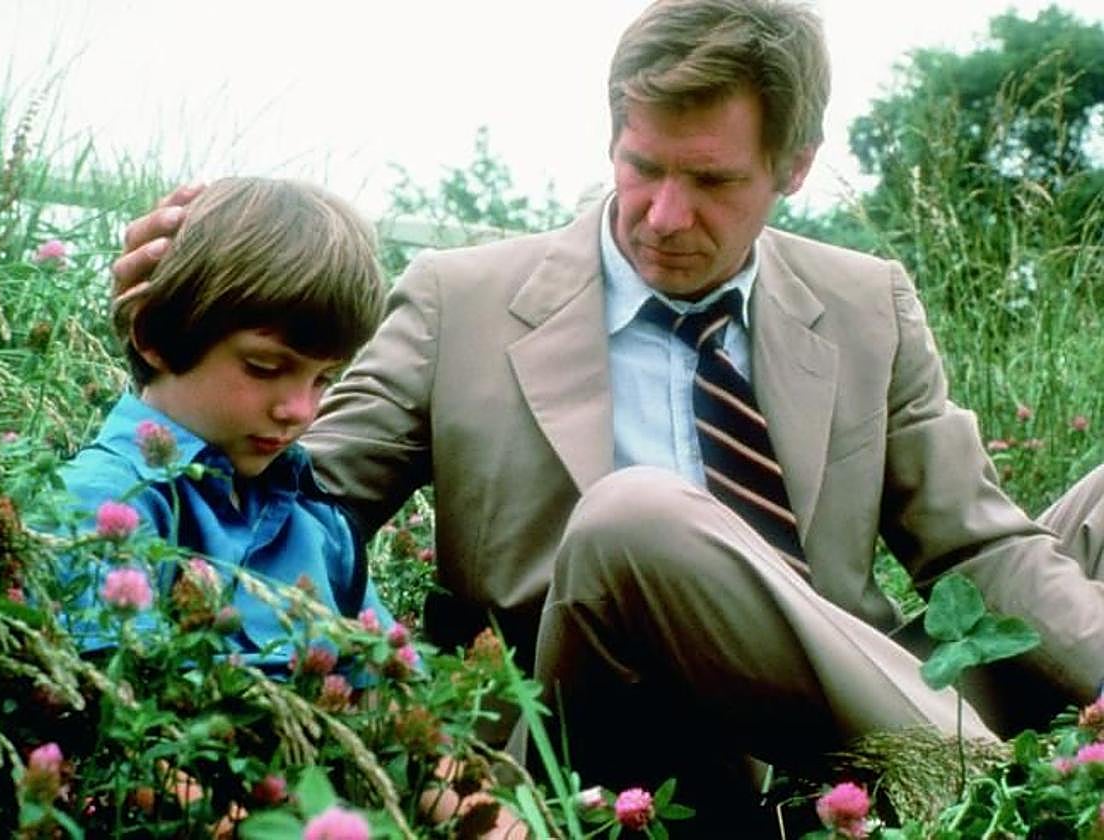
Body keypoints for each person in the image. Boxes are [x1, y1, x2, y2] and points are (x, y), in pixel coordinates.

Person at [113, 0, 1104, 829]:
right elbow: (290, 504)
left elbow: (979, 548)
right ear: (613, 138)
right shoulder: (460, 301)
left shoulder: (864, 301)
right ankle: (999, 800)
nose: (664, 215)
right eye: (642, 167)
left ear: (794, 167)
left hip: (843, 725)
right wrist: (177, 352)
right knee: (636, 513)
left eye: (712, 181)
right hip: (602, 763)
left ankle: (937, 773)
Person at [63, 176, 397, 665]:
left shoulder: (322, 530)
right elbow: (113, 698)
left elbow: (392, 686)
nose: (300, 410)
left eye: (324, 378)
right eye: (265, 367)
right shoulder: (105, 503)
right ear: (154, 335)